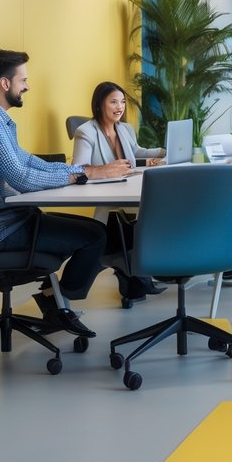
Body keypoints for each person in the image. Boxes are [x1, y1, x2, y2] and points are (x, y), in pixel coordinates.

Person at [0, 50, 130, 337]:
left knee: (93, 230)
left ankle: (54, 299)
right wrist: (84, 174)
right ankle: (58, 302)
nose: (27, 86)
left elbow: (31, 162)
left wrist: (87, 170)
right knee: (95, 236)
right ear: (5, 84)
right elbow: (22, 178)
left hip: (10, 220)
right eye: (23, 80)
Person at [71, 81, 167, 302]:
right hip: (106, 196)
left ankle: (136, 272)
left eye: (122, 102)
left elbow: (137, 151)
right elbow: (78, 169)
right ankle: (135, 272)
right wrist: (106, 170)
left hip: (127, 188)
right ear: (99, 105)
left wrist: (164, 151)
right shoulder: (85, 132)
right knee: (146, 214)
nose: (120, 107)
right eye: (113, 102)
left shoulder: (124, 128)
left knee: (152, 208)